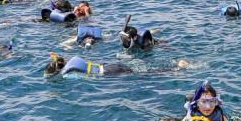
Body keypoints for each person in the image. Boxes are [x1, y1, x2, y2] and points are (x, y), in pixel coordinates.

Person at [43, 54, 187, 76]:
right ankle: (175, 67)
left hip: (108, 73)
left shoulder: (68, 75)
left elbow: (87, 78)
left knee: (144, 75)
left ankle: (176, 68)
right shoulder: (72, 59)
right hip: (110, 65)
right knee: (141, 71)